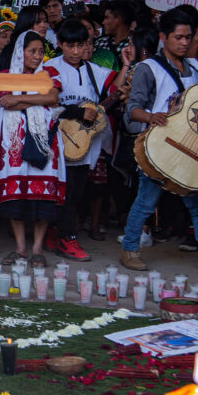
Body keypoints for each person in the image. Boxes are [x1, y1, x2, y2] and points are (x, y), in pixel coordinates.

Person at [118, 8, 198, 277]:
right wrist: (152, 116)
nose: (185, 42)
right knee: (146, 201)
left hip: (192, 148)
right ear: (164, 37)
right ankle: (129, 249)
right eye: (179, 37)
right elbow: (132, 109)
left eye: (188, 37)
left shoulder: (197, 68)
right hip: (160, 147)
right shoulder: (147, 68)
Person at [40, 18, 130, 261]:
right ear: (60, 43)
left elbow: (114, 88)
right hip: (59, 140)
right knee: (64, 192)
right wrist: (77, 112)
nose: (76, 51)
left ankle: (56, 232)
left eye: (81, 45)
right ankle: (66, 238)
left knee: (76, 191)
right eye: (71, 46)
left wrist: (126, 66)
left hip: (82, 143)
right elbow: (48, 102)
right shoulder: (50, 67)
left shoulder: (92, 70)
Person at [0, 30, 64, 266]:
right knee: (16, 195)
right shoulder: (6, 75)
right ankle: (21, 248)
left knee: (42, 195)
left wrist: (20, 99)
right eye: (32, 51)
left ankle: (37, 249)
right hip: (14, 143)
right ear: (20, 52)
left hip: (43, 141)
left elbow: (52, 97)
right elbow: (5, 103)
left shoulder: (49, 73)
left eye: (40, 52)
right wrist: (33, 98)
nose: (36, 56)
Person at [92, 0, 136, 71]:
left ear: (119, 19)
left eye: (107, 18)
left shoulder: (136, 43)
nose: (103, 22)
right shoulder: (100, 43)